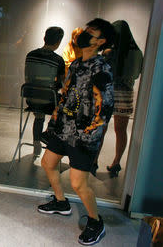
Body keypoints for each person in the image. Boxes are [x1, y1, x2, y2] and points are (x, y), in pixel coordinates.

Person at [38, 18, 115, 245]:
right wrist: (53, 123)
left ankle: (95, 221)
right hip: (63, 128)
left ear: (100, 41)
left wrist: (88, 136)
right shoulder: (75, 65)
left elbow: (105, 109)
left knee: (79, 183)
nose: (85, 33)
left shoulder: (102, 69)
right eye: (87, 29)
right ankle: (61, 203)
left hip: (84, 135)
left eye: (92, 32)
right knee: (48, 163)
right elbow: (64, 96)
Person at [95, 20, 143, 177]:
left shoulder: (109, 52)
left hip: (108, 93)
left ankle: (93, 162)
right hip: (126, 94)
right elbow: (136, 74)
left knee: (101, 129)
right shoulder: (137, 53)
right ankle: (116, 163)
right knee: (121, 130)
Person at [24, 27, 65, 158]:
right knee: (64, 107)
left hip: (30, 98)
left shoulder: (30, 55)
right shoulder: (58, 60)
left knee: (39, 114)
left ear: (44, 38)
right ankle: (49, 135)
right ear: (58, 42)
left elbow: (28, 77)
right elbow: (61, 84)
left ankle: (36, 141)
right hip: (48, 101)